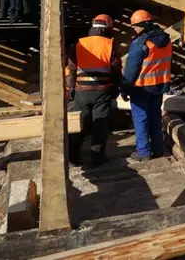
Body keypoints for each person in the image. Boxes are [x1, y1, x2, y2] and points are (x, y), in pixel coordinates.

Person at [65, 14, 121, 166]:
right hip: (103, 90)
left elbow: (71, 68)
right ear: (108, 28)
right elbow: (116, 69)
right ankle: (97, 157)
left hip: (82, 90)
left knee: (79, 123)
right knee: (100, 124)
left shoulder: (80, 44)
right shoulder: (110, 44)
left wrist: (71, 87)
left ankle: (72, 157)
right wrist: (116, 87)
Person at [122, 9, 172, 162]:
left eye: (136, 26)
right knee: (155, 117)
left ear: (143, 25)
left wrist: (124, 89)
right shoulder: (166, 40)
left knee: (141, 119)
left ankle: (143, 152)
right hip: (159, 86)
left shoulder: (141, 43)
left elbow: (131, 70)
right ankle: (158, 149)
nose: (134, 29)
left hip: (141, 88)